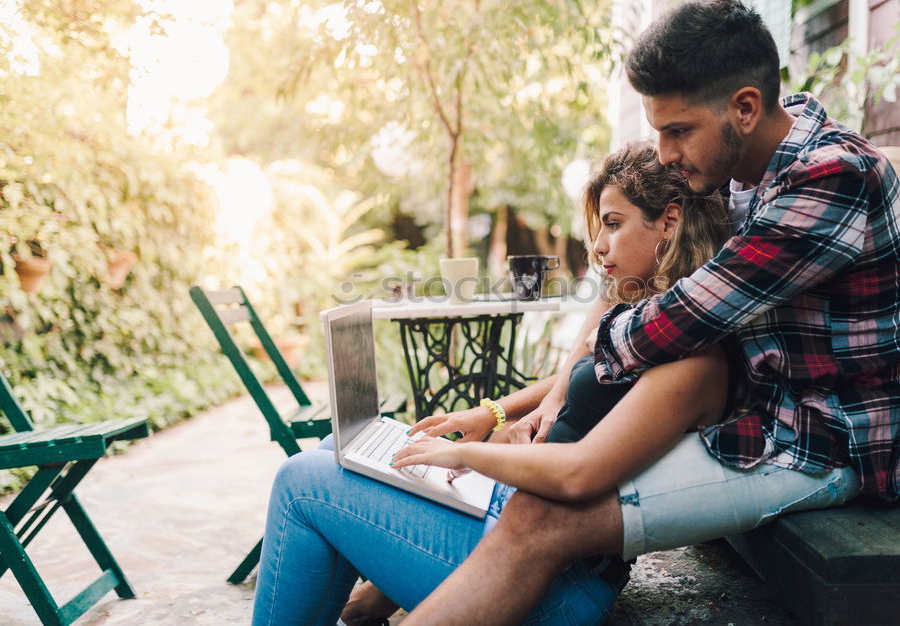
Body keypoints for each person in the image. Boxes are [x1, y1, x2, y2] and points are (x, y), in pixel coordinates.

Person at [396, 0, 900, 625]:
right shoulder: (746, 162)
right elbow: (629, 275)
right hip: (755, 417)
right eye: (660, 132)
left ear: (745, 107)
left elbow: (682, 317)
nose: (667, 153)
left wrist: (578, 366)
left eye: (677, 131)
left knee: (541, 516)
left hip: (825, 447)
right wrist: (557, 383)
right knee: (535, 497)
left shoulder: (831, 175)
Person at [250, 140, 732, 625]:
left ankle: (365, 598)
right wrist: (492, 414)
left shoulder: (690, 356)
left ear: (669, 222)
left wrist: (464, 455)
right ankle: (365, 601)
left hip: (549, 575)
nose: (598, 245)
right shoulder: (639, 320)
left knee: (301, 483)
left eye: (613, 223)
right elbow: (572, 376)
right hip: (513, 521)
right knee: (340, 447)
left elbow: (580, 472)